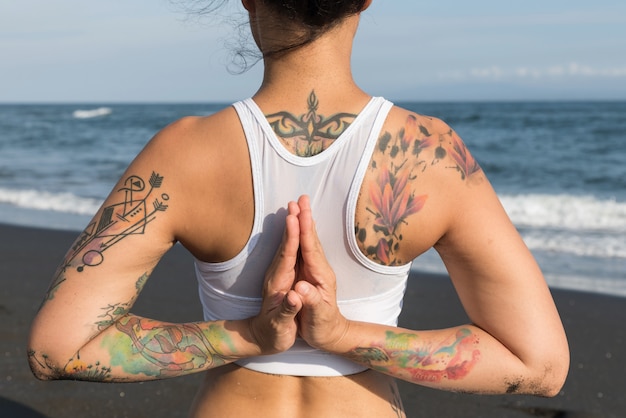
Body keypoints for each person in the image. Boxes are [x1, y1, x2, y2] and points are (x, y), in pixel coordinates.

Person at [28, 1, 569, 417]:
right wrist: (343, 335)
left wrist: (252, 335)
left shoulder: (185, 153)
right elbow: (537, 365)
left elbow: (58, 350)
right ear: (363, 1)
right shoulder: (431, 153)